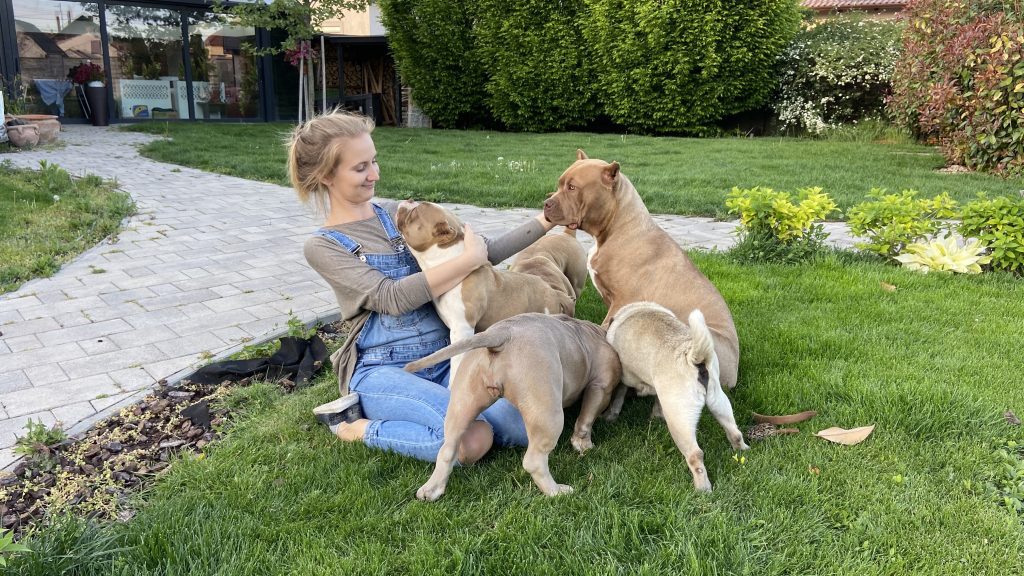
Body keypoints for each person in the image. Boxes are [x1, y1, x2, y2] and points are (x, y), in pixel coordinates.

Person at [288, 110, 556, 464]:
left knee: (525, 425)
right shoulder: (324, 246)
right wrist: (467, 261)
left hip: (446, 355)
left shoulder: (396, 215)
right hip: (385, 368)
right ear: (325, 175)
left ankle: (443, 411)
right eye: (360, 168)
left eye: (374, 161)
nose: (374, 174)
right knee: (467, 441)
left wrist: (547, 219)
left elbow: (482, 250)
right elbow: (391, 297)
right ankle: (356, 427)